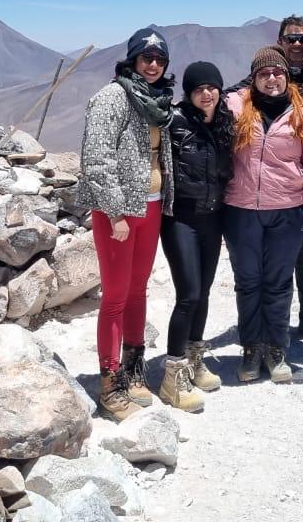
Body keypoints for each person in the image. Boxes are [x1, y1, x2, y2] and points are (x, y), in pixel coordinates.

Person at [77, 27, 175, 421]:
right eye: (146, 58)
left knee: (138, 289)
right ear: (133, 59)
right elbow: (96, 158)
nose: (152, 65)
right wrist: (114, 210)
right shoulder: (112, 98)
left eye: (159, 59)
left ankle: (135, 368)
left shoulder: (157, 100)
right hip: (118, 212)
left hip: (151, 205)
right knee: (115, 294)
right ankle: (109, 379)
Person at [223, 44, 303, 383]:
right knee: (247, 282)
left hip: (287, 211)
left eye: (278, 72)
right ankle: (250, 348)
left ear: (287, 76)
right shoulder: (237, 106)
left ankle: (276, 348)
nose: (271, 78)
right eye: (263, 73)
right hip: (241, 210)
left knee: (277, 282)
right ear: (253, 78)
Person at [229, 15, 303, 336]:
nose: (297, 44)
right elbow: (231, 97)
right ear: (281, 41)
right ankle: (260, 335)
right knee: (264, 269)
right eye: (291, 38)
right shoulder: (261, 78)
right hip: (263, 191)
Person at [157, 61, 234, 413]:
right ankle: (172, 377)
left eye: (212, 87)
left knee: (202, 293)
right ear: (188, 92)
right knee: (188, 295)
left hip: (212, 218)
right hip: (180, 219)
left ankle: (194, 359)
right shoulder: (173, 122)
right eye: (199, 88)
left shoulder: (224, 124)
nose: (207, 93)